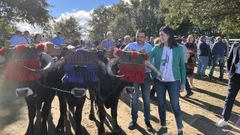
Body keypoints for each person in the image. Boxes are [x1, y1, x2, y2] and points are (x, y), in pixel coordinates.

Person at [150, 26, 185, 135]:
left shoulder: (179, 48)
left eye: (162, 35)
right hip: (159, 82)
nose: (160, 37)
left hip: (173, 81)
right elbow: (147, 58)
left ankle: (180, 129)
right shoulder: (156, 48)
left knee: (175, 105)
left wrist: (183, 82)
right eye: (160, 35)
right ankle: (163, 127)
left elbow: (182, 67)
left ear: (168, 35)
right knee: (161, 104)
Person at [123, 29, 153, 131]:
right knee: (134, 98)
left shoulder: (149, 47)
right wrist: (130, 53)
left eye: (142, 37)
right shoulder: (130, 46)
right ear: (135, 36)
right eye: (138, 36)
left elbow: (150, 62)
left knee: (147, 99)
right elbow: (122, 57)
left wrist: (145, 55)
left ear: (145, 37)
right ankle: (134, 120)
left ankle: (147, 121)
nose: (140, 39)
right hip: (133, 76)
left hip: (146, 75)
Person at [216, 42, 240, 127]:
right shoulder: (236, 45)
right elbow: (229, 60)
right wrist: (229, 73)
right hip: (234, 76)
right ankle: (225, 119)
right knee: (229, 97)